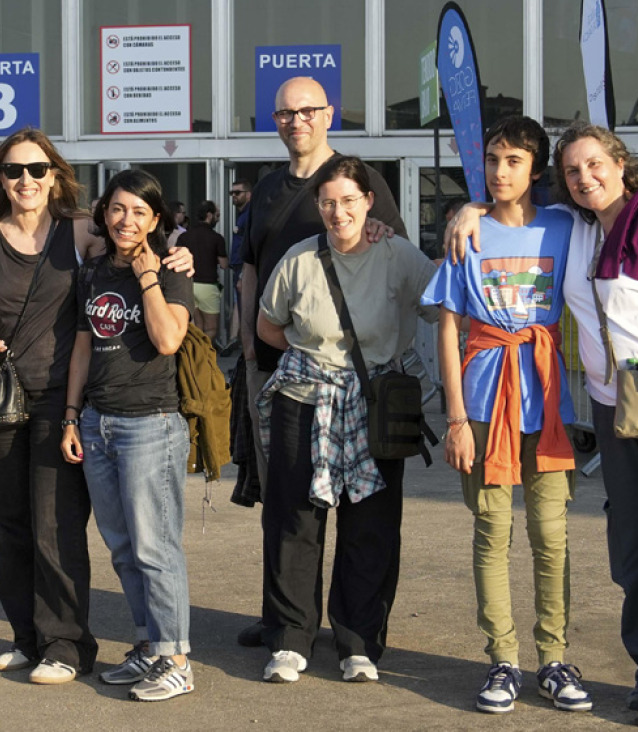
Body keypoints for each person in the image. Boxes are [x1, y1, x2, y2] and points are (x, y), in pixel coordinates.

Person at [449, 122, 638, 728]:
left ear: (620, 163)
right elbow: (511, 209)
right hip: (614, 406)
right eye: (573, 171)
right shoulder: (579, 230)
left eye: (595, 165)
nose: (586, 178)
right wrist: (469, 209)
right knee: (634, 549)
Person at [0, 128, 193, 685]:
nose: (26, 181)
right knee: (11, 524)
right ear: (1, 179)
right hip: (3, 397)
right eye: (14, 171)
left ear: (55, 176)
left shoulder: (81, 231)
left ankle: (66, 644)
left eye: (37, 170)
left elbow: (130, 241)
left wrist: (173, 253)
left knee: (57, 527)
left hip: (64, 401)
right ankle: (27, 637)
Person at [424, 117, 590, 714]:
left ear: (537, 170)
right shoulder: (467, 235)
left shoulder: (565, 227)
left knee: (552, 535)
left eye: (514, 160)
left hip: (547, 404)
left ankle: (553, 657)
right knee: (492, 532)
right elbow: (448, 329)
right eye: (493, 159)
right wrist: (456, 418)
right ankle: (502, 658)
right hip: (484, 406)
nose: (500, 171)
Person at [237, 76, 406, 648]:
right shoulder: (265, 189)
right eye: (285, 112)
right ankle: (282, 620)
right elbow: (251, 271)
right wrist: (248, 352)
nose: (296, 121)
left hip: (354, 379)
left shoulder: (361, 179)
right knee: (286, 503)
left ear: (328, 114)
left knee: (361, 512)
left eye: (307, 110)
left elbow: (392, 257)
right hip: (277, 368)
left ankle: (354, 632)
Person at [254, 155, 435, 686]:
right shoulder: (298, 259)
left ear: (369, 202)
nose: (339, 212)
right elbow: (268, 327)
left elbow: (445, 305)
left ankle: (358, 641)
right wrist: (313, 362)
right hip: (304, 401)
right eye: (329, 202)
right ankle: (289, 639)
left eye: (349, 201)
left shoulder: (397, 254)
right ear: (318, 206)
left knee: (372, 526)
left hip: (377, 402)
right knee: (295, 521)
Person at [60, 169, 196, 702]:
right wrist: (72, 416)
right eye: (118, 209)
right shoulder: (90, 273)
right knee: (122, 548)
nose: (127, 220)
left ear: (156, 220)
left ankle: (176, 658)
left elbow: (167, 340)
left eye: (140, 212)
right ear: (104, 212)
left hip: (150, 424)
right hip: (98, 424)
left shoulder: (170, 270)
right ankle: (147, 646)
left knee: (156, 547)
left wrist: (147, 276)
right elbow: (82, 347)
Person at [177, 200, 227, 339]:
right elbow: (224, 264)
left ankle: (195, 356)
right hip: (208, 286)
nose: (218, 219)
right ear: (209, 215)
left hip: (188, 284)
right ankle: (204, 357)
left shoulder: (184, 236)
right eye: (217, 215)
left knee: (197, 327)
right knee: (211, 328)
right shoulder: (217, 238)